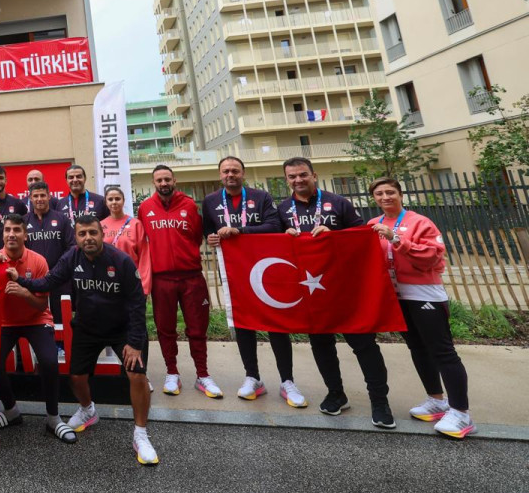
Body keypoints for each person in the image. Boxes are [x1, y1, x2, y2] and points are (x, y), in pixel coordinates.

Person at [16, 213, 158, 464]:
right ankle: (88, 410)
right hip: (88, 327)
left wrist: (135, 343)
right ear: (76, 238)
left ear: (102, 234)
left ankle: (141, 434)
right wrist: (21, 280)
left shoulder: (121, 261)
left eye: (93, 232)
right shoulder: (72, 257)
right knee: (77, 377)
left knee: (137, 375)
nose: (88, 238)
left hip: (122, 328)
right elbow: (49, 280)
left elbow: (138, 303)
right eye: (82, 234)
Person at [279, 157, 391, 427]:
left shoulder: (338, 202)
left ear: (313, 175)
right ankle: (336, 394)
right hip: (312, 292)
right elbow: (272, 242)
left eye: (303, 175)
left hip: (345, 288)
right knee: (321, 345)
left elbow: (362, 237)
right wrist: (285, 235)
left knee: (364, 345)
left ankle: (379, 402)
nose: (298, 180)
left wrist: (335, 234)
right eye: (292, 177)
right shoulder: (283, 209)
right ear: (287, 180)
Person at [370, 177, 475, 439]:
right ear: (374, 198)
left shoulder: (420, 222)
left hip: (424, 293)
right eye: (379, 194)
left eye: (390, 192)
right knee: (417, 348)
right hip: (396, 296)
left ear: (400, 194)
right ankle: (436, 400)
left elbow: (432, 256)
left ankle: (461, 413)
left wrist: (396, 239)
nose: (385, 197)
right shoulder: (373, 224)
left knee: (442, 351)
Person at [203, 156, 305, 407]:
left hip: (265, 270)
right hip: (236, 272)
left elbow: (274, 226)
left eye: (235, 170)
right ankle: (253, 377)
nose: (230, 175)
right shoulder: (211, 201)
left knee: (275, 323)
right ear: (220, 175)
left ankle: (287, 380)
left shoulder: (261, 197)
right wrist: (212, 237)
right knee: (244, 323)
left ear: (243, 173)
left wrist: (241, 231)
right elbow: (207, 230)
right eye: (226, 171)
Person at [122, 171, 222, 400]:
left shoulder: (188, 204)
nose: (164, 183)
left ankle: (203, 375)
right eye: (159, 180)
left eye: (167, 179)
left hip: (191, 277)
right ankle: (172, 373)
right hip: (162, 279)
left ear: (174, 181)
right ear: (154, 183)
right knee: (165, 329)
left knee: (197, 329)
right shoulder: (145, 208)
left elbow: (197, 237)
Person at [0, 213, 75, 442]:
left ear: (25, 234)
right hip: (5, 322)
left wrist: (24, 293)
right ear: (2, 233)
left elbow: (42, 304)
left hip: (36, 319)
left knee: (49, 361)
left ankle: (53, 418)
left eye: (16, 229)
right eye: (7, 230)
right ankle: (12, 411)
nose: (11, 234)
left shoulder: (38, 261)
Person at [24, 180, 76, 347]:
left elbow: (72, 246)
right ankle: (38, 348)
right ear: (30, 198)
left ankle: (62, 347)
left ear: (49, 196)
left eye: (43, 195)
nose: (39, 199)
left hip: (59, 278)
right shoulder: (24, 222)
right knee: (35, 315)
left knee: (60, 315)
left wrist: (58, 270)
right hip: (34, 279)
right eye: (36, 196)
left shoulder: (62, 219)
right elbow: (20, 250)